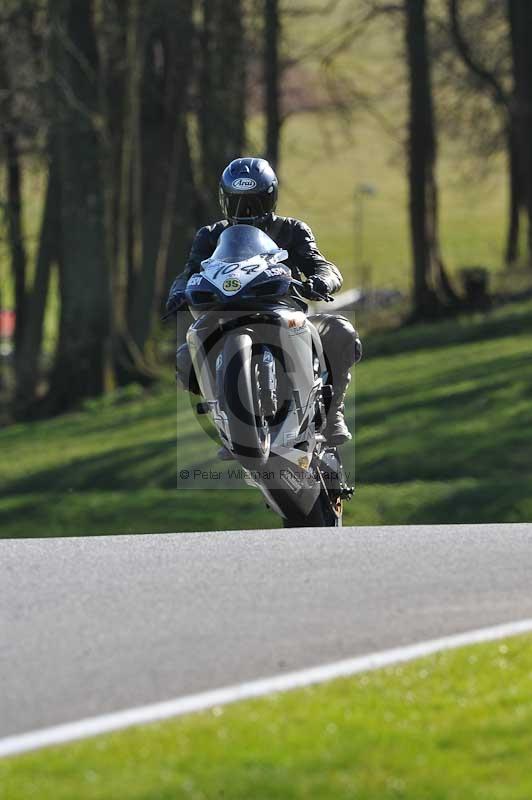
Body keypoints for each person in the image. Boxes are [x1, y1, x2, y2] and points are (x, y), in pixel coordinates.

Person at [166, 156, 362, 452]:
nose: (245, 211)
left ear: (270, 198)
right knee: (185, 358)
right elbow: (190, 271)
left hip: (282, 308)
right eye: (237, 203)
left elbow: (320, 264)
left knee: (339, 330)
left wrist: (322, 280)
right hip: (224, 310)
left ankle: (333, 414)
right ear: (224, 200)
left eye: (254, 203)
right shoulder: (209, 236)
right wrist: (179, 291)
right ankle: (227, 418)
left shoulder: (292, 229)